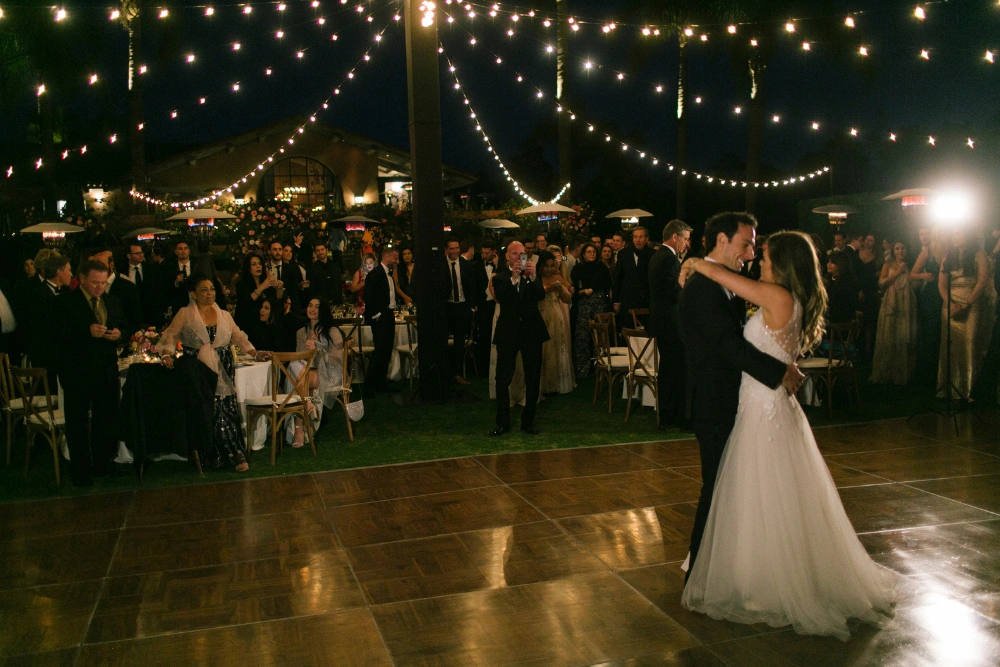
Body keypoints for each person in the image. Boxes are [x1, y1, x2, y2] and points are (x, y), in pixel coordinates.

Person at [680, 229, 897, 641]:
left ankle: (767, 582)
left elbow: (727, 279)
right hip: (764, 406)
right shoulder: (784, 298)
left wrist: (693, 262)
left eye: (763, 256)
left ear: (782, 265)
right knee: (762, 496)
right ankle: (758, 575)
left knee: (762, 495)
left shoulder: (777, 297)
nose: (758, 260)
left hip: (763, 413)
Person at [677, 213, 802, 583]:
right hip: (714, 402)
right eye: (746, 244)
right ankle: (699, 574)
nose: (750, 254)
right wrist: (779, 372)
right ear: (721, 240)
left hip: (738, 402)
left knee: (732, 490)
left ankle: (725, 569)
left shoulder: (724, 281)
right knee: (716, 490)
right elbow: (725, 344)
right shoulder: (702, 286)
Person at [158, 275, 269, 472]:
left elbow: (239, 337)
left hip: (223, 367)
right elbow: (171, 335)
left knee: (225, 408)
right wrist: (167, 354)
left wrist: (255, 352)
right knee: (209, 409)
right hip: (197, 369)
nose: (209, 293)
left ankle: (234, 452)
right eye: (204, 289)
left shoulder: (224, 315)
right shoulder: (185, 314)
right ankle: (217, 455)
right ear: (193, 293)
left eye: (212, 289)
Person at [57, 260, 126, 486]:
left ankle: (103, 462)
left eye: (103, 282)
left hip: (106, 370)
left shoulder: (111, 300)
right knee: (77, 422)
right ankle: (80, 469)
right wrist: (85, 332)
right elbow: (54, 335)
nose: (99, 287)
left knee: (106, 419)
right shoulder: (65, 302)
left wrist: (119, 335)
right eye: (95, 282)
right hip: (77, 371)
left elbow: (125, 326)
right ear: (82, 279)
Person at [490, 241, 548, 436]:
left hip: (531, 332)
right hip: (508, 332)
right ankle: (502, 422)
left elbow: (541, 296)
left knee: (533, 378)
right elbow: (502, 298)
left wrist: (532, 277)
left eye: (522, 254)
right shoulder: (500, 277)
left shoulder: (532, 274)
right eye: (515, 254)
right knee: (502, 378)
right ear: (507, 256)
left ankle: (528, 421)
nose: (519, 258)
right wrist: (514, 278)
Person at [937, 228, 997, 401]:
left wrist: (966, 303)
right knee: (949, 347)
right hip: (950, 305)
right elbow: (941, 285)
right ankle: (949, 389)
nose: (955, 237)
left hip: (971, 305)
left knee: (969, 345)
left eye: (959, 233)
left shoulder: (979, 254)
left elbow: (982, 280)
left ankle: (969, 390)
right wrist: (951, 304)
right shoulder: (947, 256)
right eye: (953, 233)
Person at [648, 219, 692, 428]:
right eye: (685, 238)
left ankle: (668, 416)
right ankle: (675, 417)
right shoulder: (668, 259)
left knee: (670, 370)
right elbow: (672, 293)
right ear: (675, 236)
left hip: (665, 322)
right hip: (670, 324)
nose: (687, 244)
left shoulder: (661, 256)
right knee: (676, 370)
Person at [289, 296, 345, 446]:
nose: (312, 309)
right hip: (307, 372)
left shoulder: (332, 331)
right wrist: (308, 354)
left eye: (317, 307)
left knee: (298, 375)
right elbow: (300, 357)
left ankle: (299, 428)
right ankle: (305, 407)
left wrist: (318, 350)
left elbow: (338, 360)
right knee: (295, 365)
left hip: (329, 372)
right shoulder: (301, 332)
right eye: (310, 305)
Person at [870, 241, 918, 385]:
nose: (900, 251)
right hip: (891, 300)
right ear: (894, 251)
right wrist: (898, 272)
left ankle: (902, 373)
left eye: (903, 248)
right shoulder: (888, 265)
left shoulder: (911, 264)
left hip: (906, 301)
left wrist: (907, 271)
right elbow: (881, 283)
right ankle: (887, 372)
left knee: (904, 335)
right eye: (897, 248)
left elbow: (914, 284)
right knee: (889, 334)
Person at [24, 255, 72, 388]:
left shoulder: (67, 292)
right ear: (59, 272)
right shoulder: (37, 293)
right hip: (46, 356)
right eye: (69, 270)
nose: (71, 274)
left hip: (63, 355)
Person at [910, 227, 946, 385]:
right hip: (931, 296)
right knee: (931, 334)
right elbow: (912, 275)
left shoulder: (950, 249)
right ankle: (928, 376)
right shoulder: (927, 252)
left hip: (948, 294)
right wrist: (923, 275)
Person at [571, 243, 612, 378]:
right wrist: (582, 291)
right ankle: (582, 368)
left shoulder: (602, 268)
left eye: (594, 251)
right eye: (589, 252)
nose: (592, 254)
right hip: (583, 303)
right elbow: (573, 289)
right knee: (582, 336)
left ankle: (600, 367)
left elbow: (607, 287)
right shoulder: (578, 268)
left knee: (600, 335)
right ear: (583, 254)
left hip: (600, 302)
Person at [537, 251, 575, 394]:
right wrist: (544, 290)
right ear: (540, 266)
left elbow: (567, 299)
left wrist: (561, 289)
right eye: (546, 266)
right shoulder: (536, 278)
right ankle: (543, 383)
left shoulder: (558, 277)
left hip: (555, 313)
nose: (550, 269)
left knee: (557, 345)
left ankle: (557, 382)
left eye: (552, 266)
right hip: (540, 313)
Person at [363, 248, 398, 398]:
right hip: (381, 317)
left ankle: (381, 383)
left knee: (387, 350)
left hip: (389, 315)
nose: (397, 261)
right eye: (395, 259)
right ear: (387, 257)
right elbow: (368, 296)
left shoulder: (388, 274)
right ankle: (369, 387)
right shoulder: (375, 274)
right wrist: (377, 315)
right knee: (379, 351)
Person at [87, 248, 143, 336]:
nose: (97, 269)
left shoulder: (127, 287)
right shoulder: (89, 287)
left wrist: (121, 334)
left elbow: (135, 320)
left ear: (111, 265)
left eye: (101, 264)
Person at [445, 238, 476, 386]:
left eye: (457, 248)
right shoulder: (442, 266)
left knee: (459, 342)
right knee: (443, 341)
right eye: (452, 248)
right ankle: (445, 373)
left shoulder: (465, 265)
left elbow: (471, 286)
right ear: (446, 250)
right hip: (447, 306)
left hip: (462, 306)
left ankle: (457, 374)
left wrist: (470, 306)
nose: (455, 251)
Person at [613, 227, 654, 328]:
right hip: (628, 301)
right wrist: (616, 300)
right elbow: (618, 277)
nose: (637, 240)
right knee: (628, 331)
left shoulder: (653, 254)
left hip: (646, 301)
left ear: (646, 239)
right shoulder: (624, 253)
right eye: (635, 237)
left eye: (640, 237)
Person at [235, 252, 282, 333]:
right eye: (254, 264)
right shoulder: (241, 284)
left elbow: (276, 300)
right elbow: (246, 303)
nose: (258, 266)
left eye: (260, 264)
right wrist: (262, 286)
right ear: (248, 267)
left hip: (266, 326)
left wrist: (279, 289)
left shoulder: (266, 281)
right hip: (248, 325)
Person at [124, 242, 164, 328]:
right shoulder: (122, 270)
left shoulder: (152, 268)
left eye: (141, 252)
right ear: (129, 256)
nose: (141, 255)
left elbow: (159, 289)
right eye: (137, 253)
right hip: (131, 311)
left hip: (151, 312)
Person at [476, 240, 500, 377]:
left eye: (487, 252)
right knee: (484, 336)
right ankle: (484, 370)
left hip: (497, 305)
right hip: (484, 307)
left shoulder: (500, 266)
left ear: (493, 252)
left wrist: (497, 267)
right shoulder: (476, 266)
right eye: (483, 252)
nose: (484, 255)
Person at [825, 251, 861, 324]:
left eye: (832, 262)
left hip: (841, 321)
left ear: (841, 264)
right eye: (828, 262)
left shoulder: (847, 282)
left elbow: (843, 305)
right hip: (831, 316)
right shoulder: (829, 279)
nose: (828, 264)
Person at [163, 240, 195, 317]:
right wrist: (176, 282)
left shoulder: (196, 266)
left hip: (195, 302)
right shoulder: (170, 268)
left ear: (189, 251)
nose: (183, 251)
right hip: (178, 305)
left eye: (185, 248)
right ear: (176, 251)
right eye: (180, 249)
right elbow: (166, 288)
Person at [307, 240, 343, 305]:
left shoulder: (335, 266)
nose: (320, 252)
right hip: (320, 304)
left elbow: (339, 285)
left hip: (336, 302)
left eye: (322, 249)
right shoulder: (312, 269)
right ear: (315, 253)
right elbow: (312, 289)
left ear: (326, 250)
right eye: (318, 251)